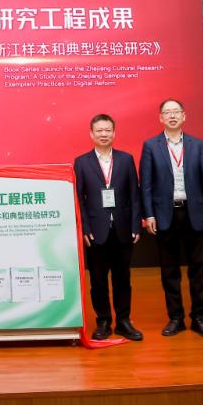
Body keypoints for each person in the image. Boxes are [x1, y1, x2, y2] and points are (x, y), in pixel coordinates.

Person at [140, 99, 203, 339]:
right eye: (167, 112)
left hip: (195, 213)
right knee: (169, 270)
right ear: (160, 118)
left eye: (176, 112)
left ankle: (199, 318)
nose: (172, 116)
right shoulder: (151, 146)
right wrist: (149, 214)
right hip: (166, 215)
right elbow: (146, 184)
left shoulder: (197, 144)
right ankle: (176, 318)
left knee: (198, 269)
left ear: (184, 116)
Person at [73, 114, 142, 341]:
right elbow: (79, 198)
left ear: (114, 133)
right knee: (98, 279)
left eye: (108, 130)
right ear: (91, 134)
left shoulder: (126, 159)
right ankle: (103, 321)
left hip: (123, 229)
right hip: (95, 231)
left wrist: (136, 225)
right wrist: (84, 228)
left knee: (123, 278)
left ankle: (123, 321)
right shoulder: (82, 162)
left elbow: (134, 195)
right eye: (99, 131)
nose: (104, 134)